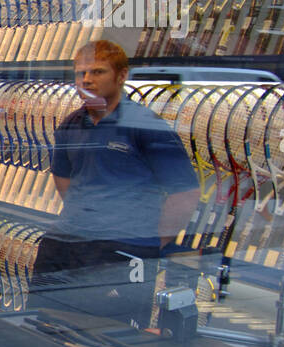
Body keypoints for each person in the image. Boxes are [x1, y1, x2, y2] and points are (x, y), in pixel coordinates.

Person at [30, 39, 199, 325]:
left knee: (109, 336)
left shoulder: (145, 125)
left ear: (121, 76)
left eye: (97, 72)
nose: (87, 80)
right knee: (41, 326)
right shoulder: (71, 124)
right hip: (65, 243)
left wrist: (150, 243)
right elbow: (63, 178)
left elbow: (185, 192)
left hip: (121, 250)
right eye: (80, 73)